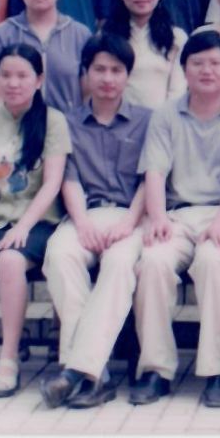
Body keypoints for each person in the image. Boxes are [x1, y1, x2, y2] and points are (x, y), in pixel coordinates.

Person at [128, 30, 220, 406]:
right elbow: (155, 171)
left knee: (213, 262)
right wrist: (157, 217)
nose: (207, 70)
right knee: (153, 262)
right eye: (197, 63)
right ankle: (156, 370)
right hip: (177, 213)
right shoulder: (166, 115)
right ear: (184, 69)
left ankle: (216, 371)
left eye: (215, 63)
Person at [38, 32, 154, 410]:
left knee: (120, 263)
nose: (107, 78)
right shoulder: (66, 122)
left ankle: (75, 373)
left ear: (127, 75)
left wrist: (129, 223)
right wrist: (83, 223)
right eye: (99, 69)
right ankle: (97, 374)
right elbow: (68, 177)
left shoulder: (148, 121)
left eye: (116, 70)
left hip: (131, 216)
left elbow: (150, 180)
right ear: (85, 73)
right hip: (83, 213)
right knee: (60, 255)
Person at [0, 44, 71, 399]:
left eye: (23, 75)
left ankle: (9, 358)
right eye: (5, 75)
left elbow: (52, 183)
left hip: (38, 222)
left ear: (39, 80)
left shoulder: (53, 121)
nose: (13, 83)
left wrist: (23, 227)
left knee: (9, 260)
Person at [100, 0, 188, 111]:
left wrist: (163, 121)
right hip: (117, 121)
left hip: (161, 121)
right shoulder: (105, 37)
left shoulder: (176, 38)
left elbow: (178, 92)